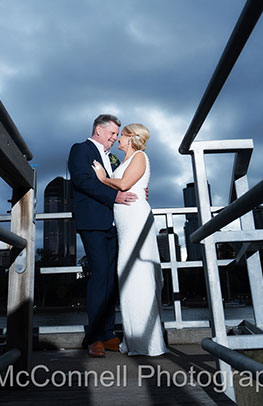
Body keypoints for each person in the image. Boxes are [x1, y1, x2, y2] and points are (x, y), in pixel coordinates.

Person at [92, 123, 168, 356]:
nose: (118, 139)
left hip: (135, 218)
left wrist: (103, 178)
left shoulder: (140, 156)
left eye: (121, 135)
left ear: (131, 138)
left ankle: (148, 341)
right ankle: (134, 338)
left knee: (139, 274)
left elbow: (124, 184)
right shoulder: (125, 160)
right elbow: (128, 182)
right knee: (128, 274)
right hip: (125, 223)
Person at [68, 114, 137, 358]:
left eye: (117, 135)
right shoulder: (80, 149)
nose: (115, 138)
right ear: (99, 129)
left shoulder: (111, 158)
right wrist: (114, 197)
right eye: (112, 134)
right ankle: (94, 337)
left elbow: (117, 183)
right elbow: (82, 181)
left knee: (110, 279)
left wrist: (136, 188)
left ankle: (107, 334)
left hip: (112, 223)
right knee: (99, 277)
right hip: (93, 223)